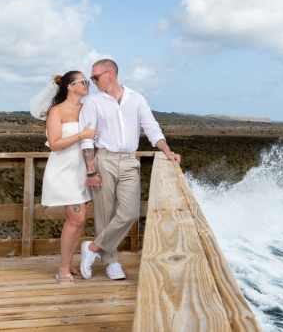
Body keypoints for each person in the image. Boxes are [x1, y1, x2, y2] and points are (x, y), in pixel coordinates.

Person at [78, 58, 181, 280]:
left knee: (130, 212)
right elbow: (87, 140)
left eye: (96, 77)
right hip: (104, 159)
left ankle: (93, 248)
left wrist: (167, 151)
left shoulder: (137, 98)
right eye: (92, 78)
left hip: (128, 161)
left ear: (110, 74)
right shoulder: (93, 102)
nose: (92, 81)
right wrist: (90, 170)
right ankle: (111, 262)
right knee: (105, 214)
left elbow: (152, 128)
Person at [39, 71, 97, 285]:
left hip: (81, 170)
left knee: (79, 220)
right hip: (64, 170)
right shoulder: (57, 111)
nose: (88, 84)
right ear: (71, 86)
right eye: (84, 81)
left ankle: (69, 263)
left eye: (88, 81)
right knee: (77, 218)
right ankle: (63, 268)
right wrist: (81, 135)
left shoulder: (86, 110)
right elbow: (54, 144)